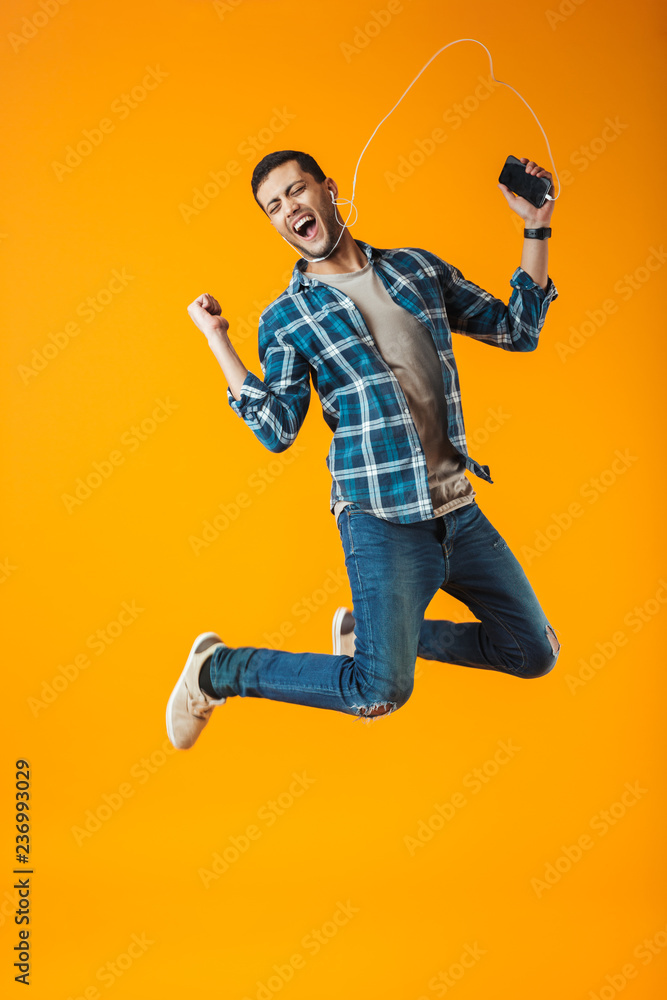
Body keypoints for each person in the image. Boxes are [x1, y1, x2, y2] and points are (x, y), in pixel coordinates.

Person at [166, 149, 561, 750]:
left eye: (296, 191)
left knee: (533, 652)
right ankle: (217, 670)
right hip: (380, 517)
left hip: (455, 507)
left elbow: (518, 330)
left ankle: (375, 634)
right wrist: (219, 342)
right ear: (273, 224)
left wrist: (536, 225)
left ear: (327, 189)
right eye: (273, 206)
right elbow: (276, 428)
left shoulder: (415, 270)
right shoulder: (288, 318)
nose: (288, 209)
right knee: (379, 690)